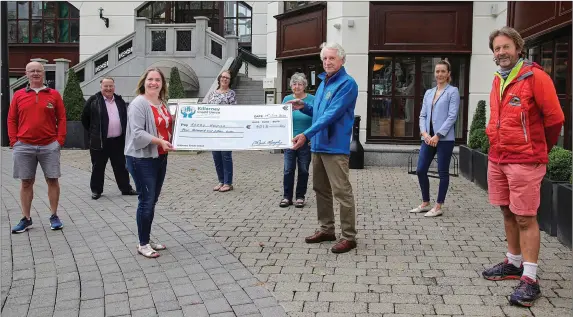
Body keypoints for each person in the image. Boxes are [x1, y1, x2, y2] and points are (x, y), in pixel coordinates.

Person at [481, 26, 564, 307]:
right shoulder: (497, 79)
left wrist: (539, 149)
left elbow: (554, 119)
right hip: (499, 157)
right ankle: (513, 262)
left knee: (526, 217)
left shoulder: (535, 77)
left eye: (506, 47)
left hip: (525, 160)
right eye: (496, 49)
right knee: (507, 211)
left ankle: (530, 279)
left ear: (518, 48)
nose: (501, 52)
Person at [288, 42, 358, 254]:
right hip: (318, 145)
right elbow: (320, 113)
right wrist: (305, 107)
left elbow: (331, 115)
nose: (327, 62)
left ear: (342, 60)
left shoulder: (347, 84)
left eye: (332, 59)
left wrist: (306, 134)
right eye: (325, 59)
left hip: (335, 147)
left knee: (341, 192)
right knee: (320, 189)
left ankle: (349, 237)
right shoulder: (323, 83)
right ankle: (327, 229)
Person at [8, 61, 66, 233]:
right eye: (31, 71)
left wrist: (59, 141)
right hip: (24, 146)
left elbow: (62, 118)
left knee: (53, 180)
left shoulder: (54, 95)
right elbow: (11, 119)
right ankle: (26, 218)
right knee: (26, 182)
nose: (35, 73)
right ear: (26, 74)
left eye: (38, 71)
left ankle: (54, 215)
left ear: (43, 73)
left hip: (49, 145)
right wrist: (14, 141)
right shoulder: (18, 95)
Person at [125, 68, 174, 258]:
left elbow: (167, 125)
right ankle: (143, 243)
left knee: (152, 200)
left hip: (160, 157)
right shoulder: (139, 104)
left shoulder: (162, 103)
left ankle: (146, 237)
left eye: (158, 80)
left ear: (162, 83)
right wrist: (160, 141)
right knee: (146, 200)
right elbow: (137, 133)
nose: (154, 83)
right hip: (141, 159)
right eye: (150, 79)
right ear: (143, 81)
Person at [410, 60, 460, 217]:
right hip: (427, 138)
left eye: (443, 71)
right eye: (437, 71)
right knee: (420, 170)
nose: (440, 74)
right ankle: (426, 202)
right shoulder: (429, 93)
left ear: (448, 74)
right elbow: (422, 115)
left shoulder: (453, 92)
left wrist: (438, 135)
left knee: (442, 172)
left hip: (444, 139)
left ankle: (438, 206)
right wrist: (424, 133)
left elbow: (452, 116)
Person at [81, 77, 137, 200]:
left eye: (110, 86)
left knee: (121, 166)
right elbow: (84, 118)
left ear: (114, 87)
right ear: (101, 87)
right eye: (105, 86)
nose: (108, 88)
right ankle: (96, 190)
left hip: (118, 140)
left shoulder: (119, 101)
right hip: (100, 141)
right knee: (98, 166)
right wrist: (94, 132)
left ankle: (126, 188)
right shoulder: (93, 100)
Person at [280, 73, 314, 208]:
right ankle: (287, 197)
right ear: (291, 86)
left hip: (306, 140)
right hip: (290, 141)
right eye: (294, 84)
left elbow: (317, 119)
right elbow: (281, 119)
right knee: (288, 169)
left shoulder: (312, 99)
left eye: (300, 84)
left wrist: (312, 137)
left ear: (304, 85)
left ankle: (300, 197)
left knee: (303, 170)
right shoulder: (287, 99)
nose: (297, 86)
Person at [205, 70, 237, 192]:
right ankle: (221, 180)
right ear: (219, 79)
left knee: (226, 156)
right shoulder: (212, 94)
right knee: (216, 156)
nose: (224, 79)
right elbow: (206, 109)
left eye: (227, 78)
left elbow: (234, 111)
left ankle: (228, 182)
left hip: (226, 130)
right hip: (214, 130)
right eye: (223, 77)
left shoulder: (231, 94)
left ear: (229, 81)